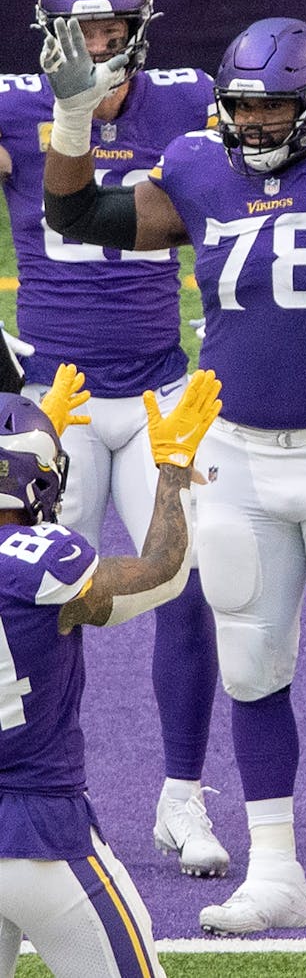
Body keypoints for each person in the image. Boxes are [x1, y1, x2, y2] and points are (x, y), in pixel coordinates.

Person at [38, 15, 306, 932]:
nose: (256, 124)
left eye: (276, 106)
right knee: (250, 663)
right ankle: (277, 869)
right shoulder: (200, 166)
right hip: (235, 455)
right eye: (242, 107)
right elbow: (78, 214)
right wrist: (76, 120)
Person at [0, 0, 229, 878]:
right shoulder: (19, 104)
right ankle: (48, 788)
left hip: (157, 390)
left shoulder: (191, 96)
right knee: (40, 599)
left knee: (187, 580)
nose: (99, 42)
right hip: (54, 398)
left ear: (138, 30)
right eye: (83, 27)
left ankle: (181, 799)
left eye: (112, 26)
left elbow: (264, 166)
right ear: (53, 34)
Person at [0, 366, 222, 978]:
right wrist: (173, 467)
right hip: (43, 835)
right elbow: (164, 571)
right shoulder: (45, 566)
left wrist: (43, 435)